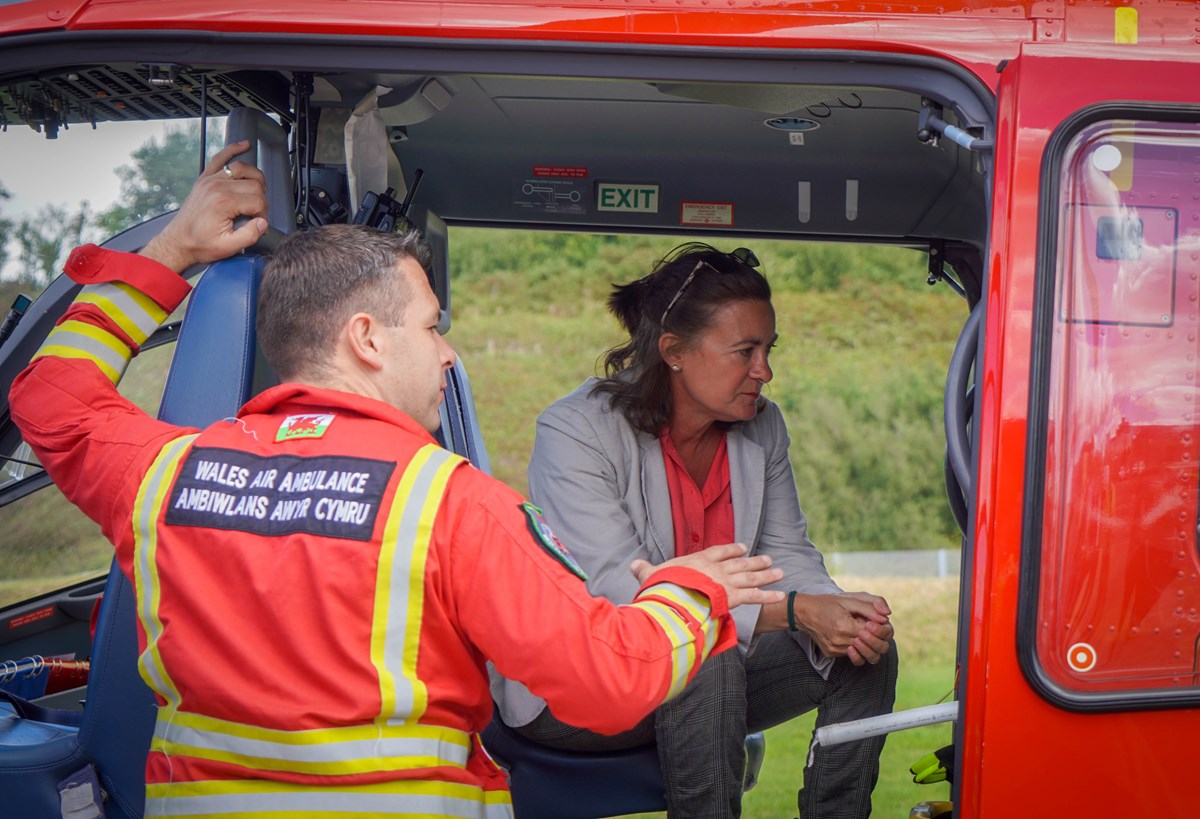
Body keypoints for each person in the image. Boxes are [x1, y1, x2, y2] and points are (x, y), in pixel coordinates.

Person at [7, 146, 788, 819]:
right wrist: (690, 591)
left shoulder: (162, 476)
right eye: (431, 325)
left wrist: (173, 246)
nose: (446, 355)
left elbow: (49, 396)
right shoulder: (453, 504)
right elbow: (605, 682)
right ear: (367, 339)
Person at [491, 243, 899, 818]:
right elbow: (616, 589)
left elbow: (787, 552)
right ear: (674, 352)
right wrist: (799, 611)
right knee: (703, 650)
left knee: (865, 648)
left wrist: (838, 611)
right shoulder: (574, 430)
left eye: (768, 350)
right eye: (745, 351)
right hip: (579, 688)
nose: (765, 371)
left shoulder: (763, 427)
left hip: (707, 670)